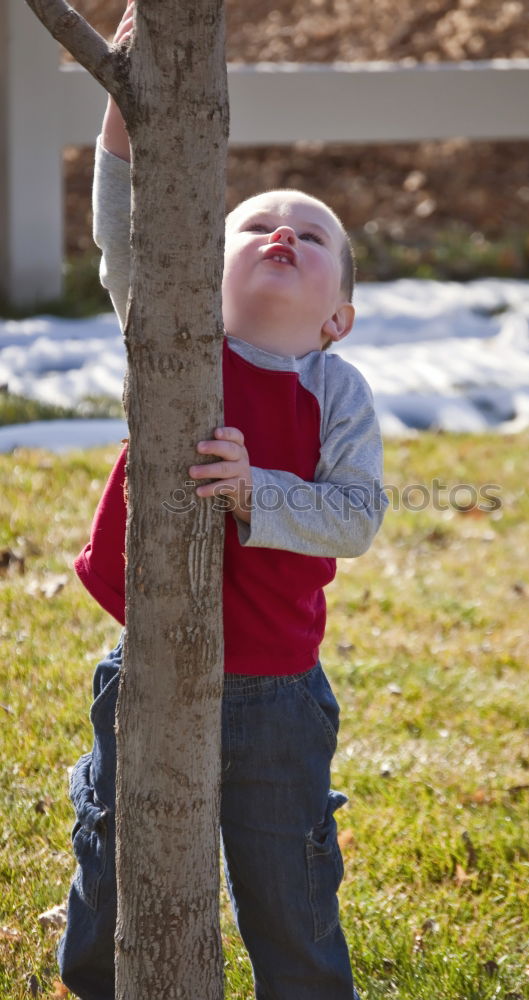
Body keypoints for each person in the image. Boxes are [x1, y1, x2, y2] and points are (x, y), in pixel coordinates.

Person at [57, 6, 386, 1000]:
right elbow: (125, 219)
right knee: (117, 867)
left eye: (313, 231)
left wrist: (257, 492)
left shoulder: (337, 392)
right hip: (149, 664)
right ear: (205, 261)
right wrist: (126, 107)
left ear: (337, 317)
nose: (283, 228)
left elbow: (356, 514)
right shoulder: (172, 329)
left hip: (278, 695)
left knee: (289, 889)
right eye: (254, 222)